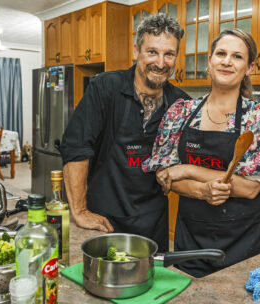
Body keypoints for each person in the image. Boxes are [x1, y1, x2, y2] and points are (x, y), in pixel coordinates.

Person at [142, 28, 260, 277]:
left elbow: (250, 188)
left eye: (237, 56)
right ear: (209, 61)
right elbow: (166, 176)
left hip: (249, 240)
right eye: (221, 53)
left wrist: (188, 169)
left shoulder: (259, 117)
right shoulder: (181, 112)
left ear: (249, 68)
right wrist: (202, 191)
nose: (227, 61)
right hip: (193, 242)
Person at [59, 14, 191, 252]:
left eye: (169, 54)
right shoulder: (104, 87)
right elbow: (76, 146)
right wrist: (78, 211)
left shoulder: (182, 103)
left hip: (153, 222)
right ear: (135, 51)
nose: (161, 63)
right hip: (103, 220)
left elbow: (188, 159)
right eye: (152, 52)